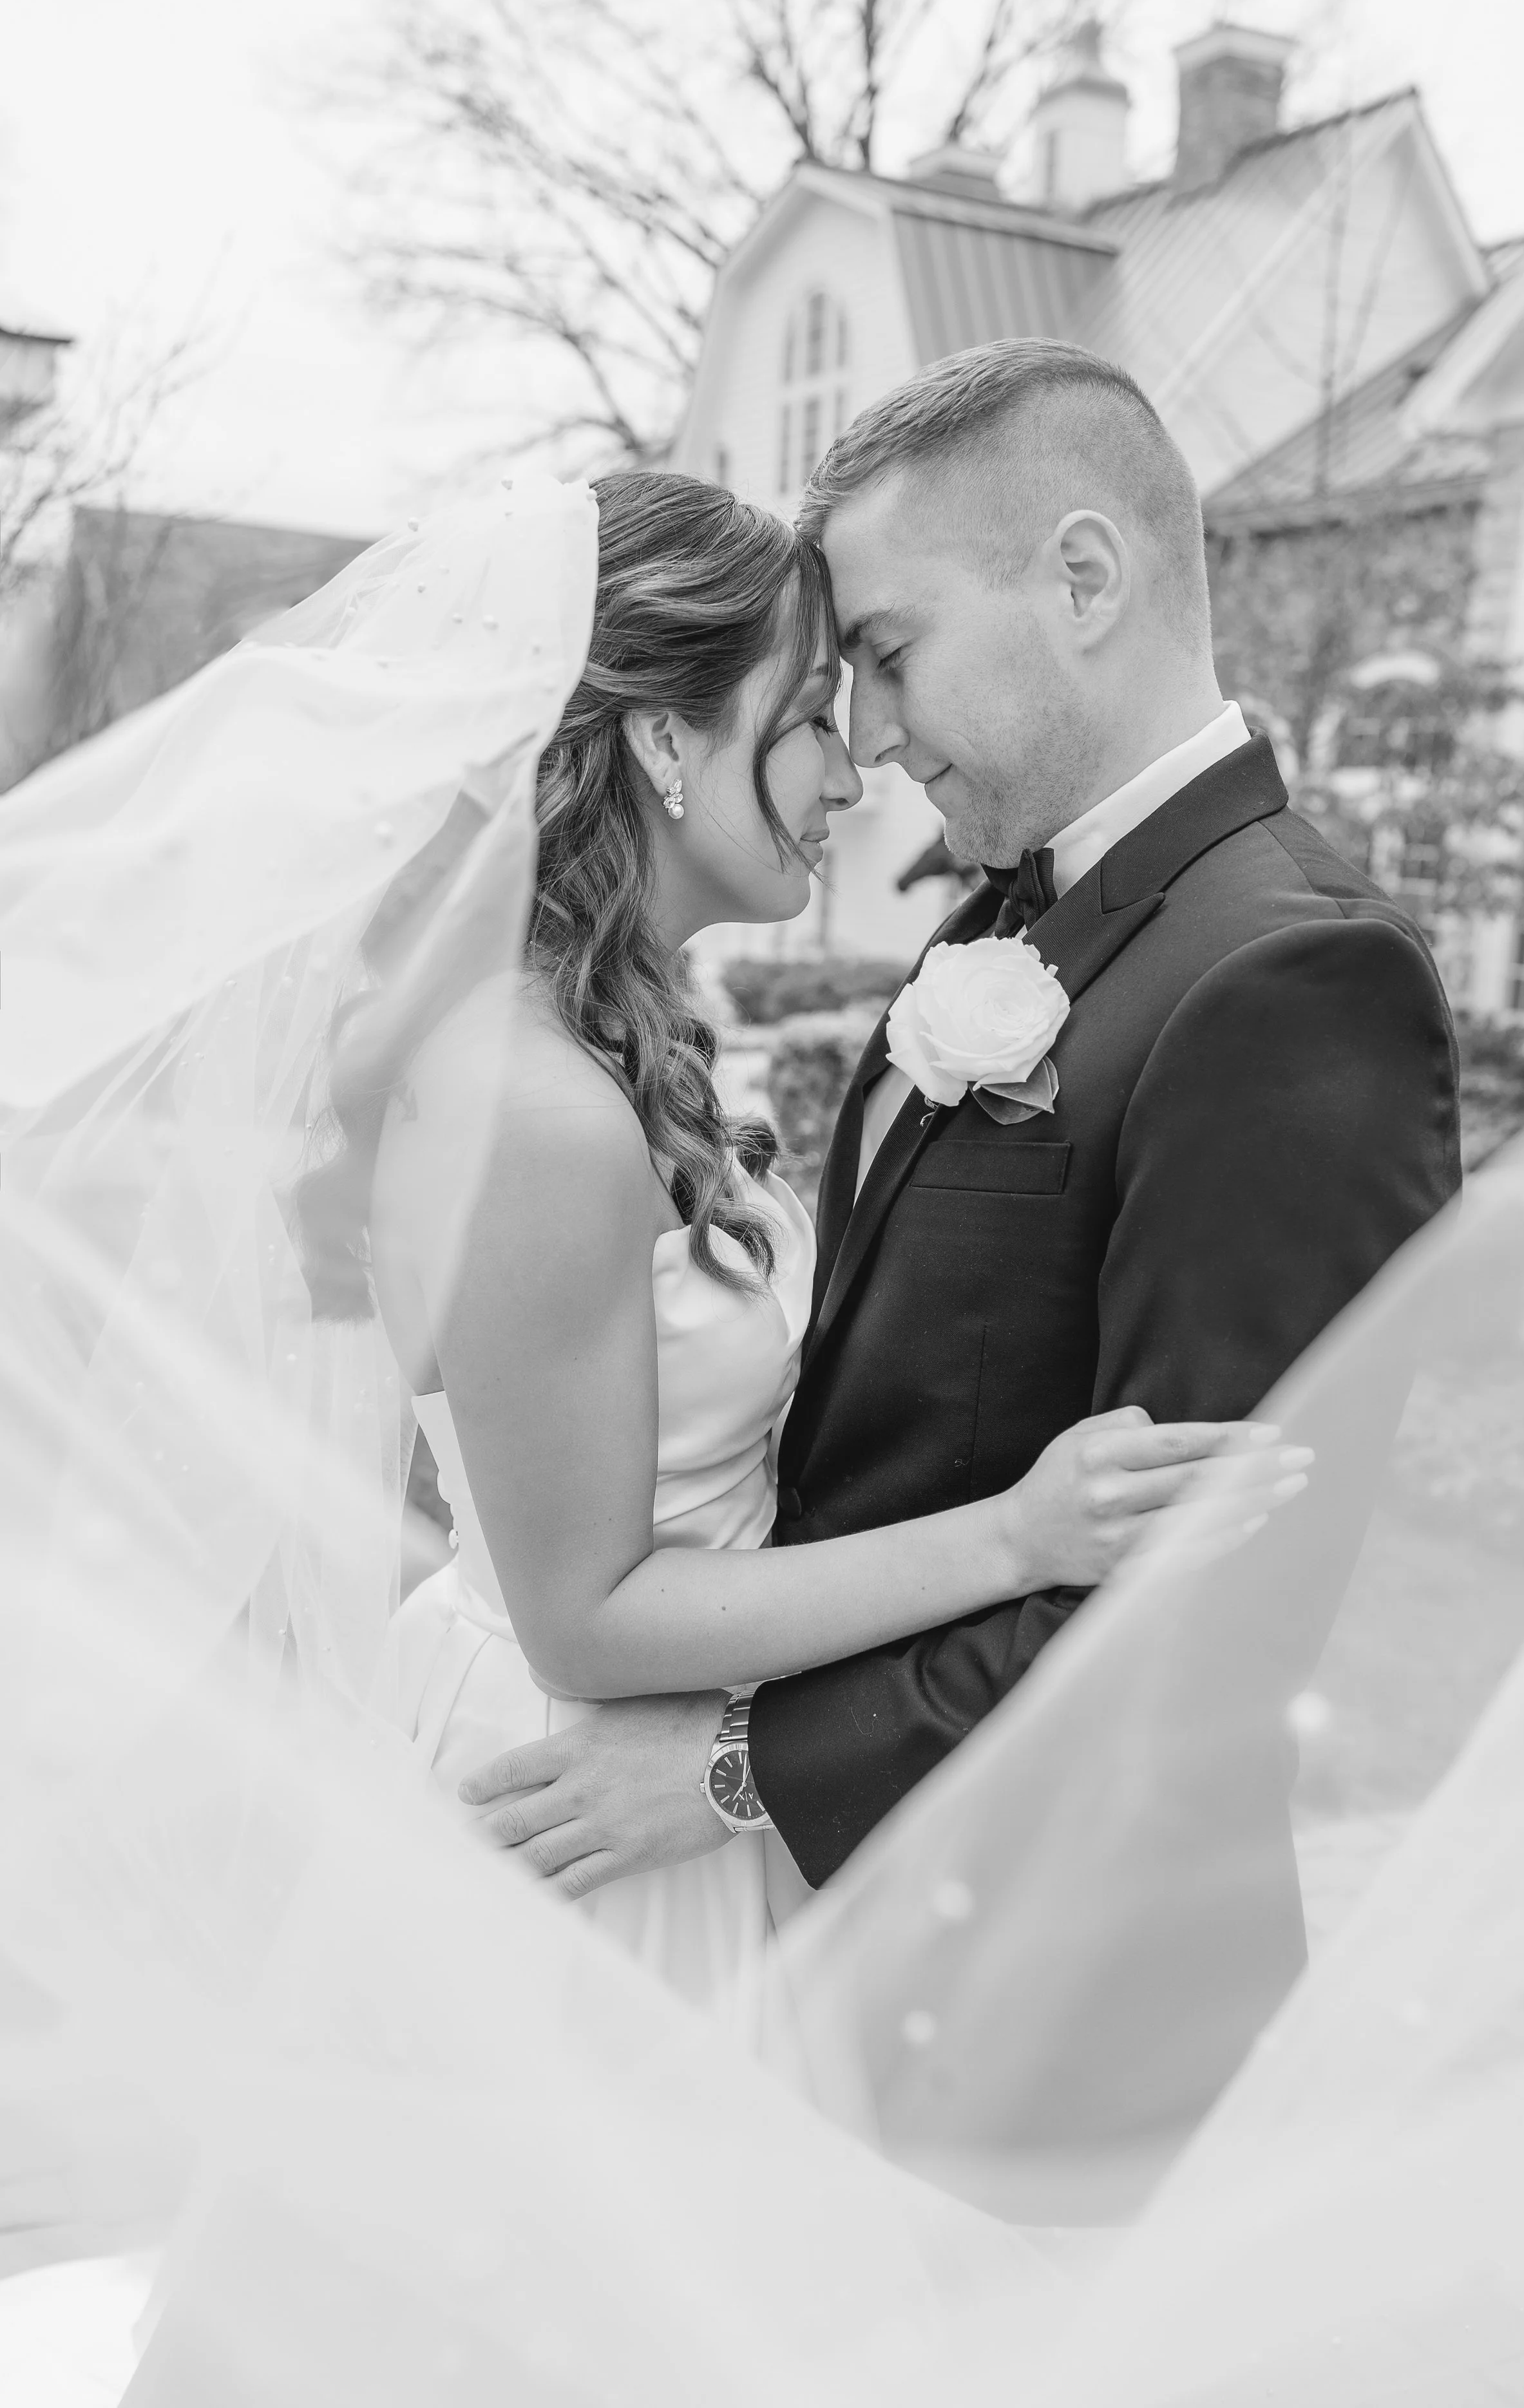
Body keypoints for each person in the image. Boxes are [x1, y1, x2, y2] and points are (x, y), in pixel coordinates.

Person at [466, 341, 1462, 2011]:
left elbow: (1208, 1609)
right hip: (842, 1951)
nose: (866, 735)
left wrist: (744, 1766)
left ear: (1081, 576)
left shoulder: (1290, 977)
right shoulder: (1010, 912)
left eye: (884, 651)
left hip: (1041, 2003)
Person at [343, 468, 1283, 2027]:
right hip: (568, 1800)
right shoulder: (537, 1104)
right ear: (660, 740)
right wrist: (1015, 1542)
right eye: (808, 717)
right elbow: (587, 1614)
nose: (853, 778)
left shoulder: (611, 1049)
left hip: (667, 1777)